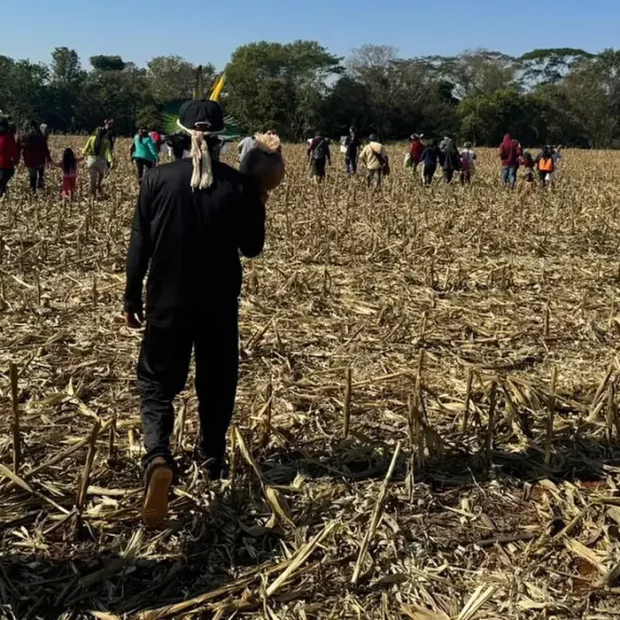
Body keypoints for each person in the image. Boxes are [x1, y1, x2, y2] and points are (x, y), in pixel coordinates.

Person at [124, 98, 279, 528]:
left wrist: (131, 296)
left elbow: (140, 241)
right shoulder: (239, 185)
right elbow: (252, 248)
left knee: (156, 382)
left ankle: (158, 457)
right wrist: (258, 195)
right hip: (218, 304)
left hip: (166, 303)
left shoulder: (156, 179)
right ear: (221, 138)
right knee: (216, 382)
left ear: (181, 134)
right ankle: (212, 462)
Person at [17, 121, 52, 193]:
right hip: (40, 159)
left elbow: (17, 148)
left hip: (29, 160)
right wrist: (49, 158)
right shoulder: (39, 135)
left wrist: (16, 158)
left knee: (33, 177)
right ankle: (40, 188)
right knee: (40, 175)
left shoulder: (23, 135)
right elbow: (45, 148)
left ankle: (33, 191)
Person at [83, 127, 112, 198]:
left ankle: (93, 194)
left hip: (91, 161)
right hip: (101, 161)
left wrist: (83, 155)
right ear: (105, 134)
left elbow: (85, 149)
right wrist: (111, 161)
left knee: (92, 179)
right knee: (101, 174)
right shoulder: (106, 141)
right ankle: (99, 184)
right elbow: (108, 152)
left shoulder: (91, 139)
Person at [0, 116, 18, 198]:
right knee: (2, 185)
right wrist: (15, 161)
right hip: (6, 166)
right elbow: (14, 151)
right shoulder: (9, 137)